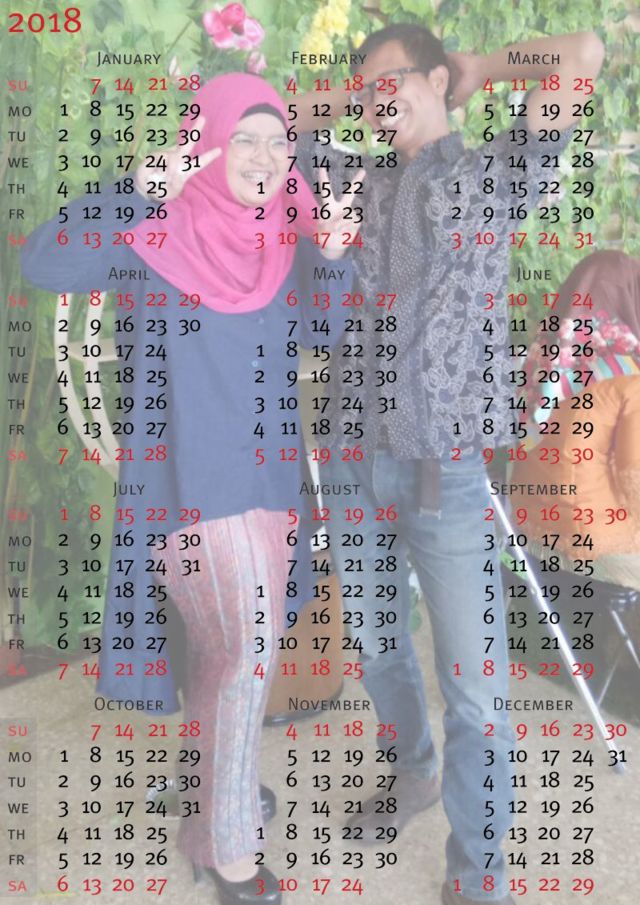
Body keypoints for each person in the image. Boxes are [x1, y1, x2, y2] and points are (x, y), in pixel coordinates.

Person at [21, 72, 353, 905]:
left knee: (226, 654)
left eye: (277, 142)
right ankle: (230, 850)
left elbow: (328, 330)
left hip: (270, 484)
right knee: (247, 655)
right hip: (189, 490)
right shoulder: (154, 230)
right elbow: (43, 260)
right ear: (205, 143)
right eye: (244, 138)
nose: (264, 157)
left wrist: (333, 257)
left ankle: (212, 791)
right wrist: (135, 190)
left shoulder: (285, 235)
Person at [293, 22, 605, 905]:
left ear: (437, 79)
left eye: (393, 82)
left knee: (478, 694)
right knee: (377, 649)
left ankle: (478, 873)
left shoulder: (496, 174)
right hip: (353, 460)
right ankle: (413, 771)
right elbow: (280, 115)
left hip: (450, 475)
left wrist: (482, 67)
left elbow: (583, 54)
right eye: (365, 91)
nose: (375, 102)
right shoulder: (355, 179)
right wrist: (367, 93)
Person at [511, 251, 640, 590]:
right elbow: (634, 480)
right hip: (589, 537)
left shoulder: (540, 361)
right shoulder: (626, 374)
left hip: (527, 520)